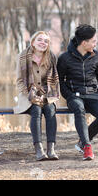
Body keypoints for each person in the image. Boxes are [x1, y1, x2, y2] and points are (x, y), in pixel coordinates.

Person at [57, 24, 98, 161]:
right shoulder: (64, 58)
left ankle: (82, 141)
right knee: (79, 109)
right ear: (84, 43)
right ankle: (87, 146)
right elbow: (60, 81)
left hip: (93, 95)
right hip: (75, 96)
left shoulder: (97, 56)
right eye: (93, 41)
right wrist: (69, 95)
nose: (95, 43)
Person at [15, 31, 60, 161]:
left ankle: (51, 149)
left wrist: (46, 96)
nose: (43, 43)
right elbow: (19, 81)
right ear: (33, 42)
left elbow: (54, 81)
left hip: (47, 93)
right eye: (40, 40)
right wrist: (30, 95)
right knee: (36, 109)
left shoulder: (51, 57)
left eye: (46, 41)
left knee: (50, 109)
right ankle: (39, 150)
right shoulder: (23, 56)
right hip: (27, 94)